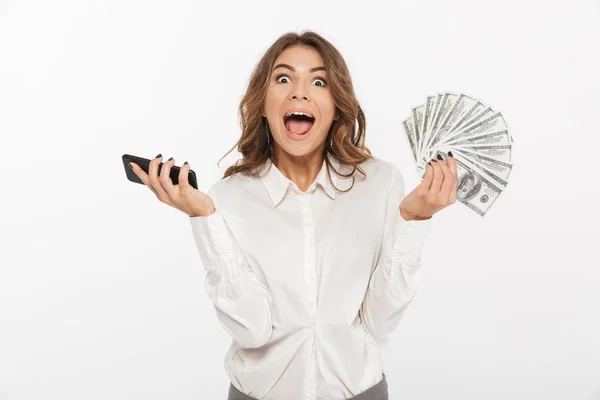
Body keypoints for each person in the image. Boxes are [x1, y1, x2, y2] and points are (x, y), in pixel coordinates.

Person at [129, 31, 458, 400]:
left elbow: (380, 323)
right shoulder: (228, 198)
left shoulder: (379, 183)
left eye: (319, 81)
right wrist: (205, 217)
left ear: (336, 106)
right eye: (283, 78)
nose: (299, 92)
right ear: (263, 103)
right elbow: (252, 330)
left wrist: (413, 219)